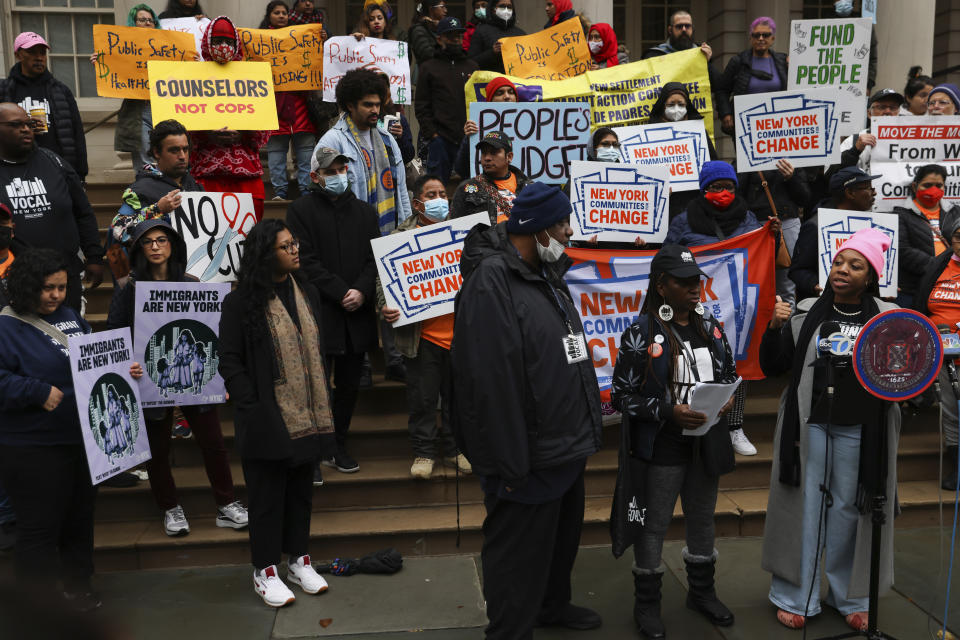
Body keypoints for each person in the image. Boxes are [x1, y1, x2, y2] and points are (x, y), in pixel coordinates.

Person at [452, 182, 603, 637]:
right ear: (537, 229)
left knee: (559, 543)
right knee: (516, 556)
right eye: (562, 224)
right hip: (526, 458)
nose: (569, 232)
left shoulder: (547, 274)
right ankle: (510, 630)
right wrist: (510, 463)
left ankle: (552, 606)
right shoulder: (492, 281)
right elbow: (488, 382)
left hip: (564, 446)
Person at [760, 227, 898, 632]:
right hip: (810, 426)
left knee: (848, 508)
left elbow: (901, 372)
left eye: (855, 265)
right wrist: (773, 328)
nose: (843, 270)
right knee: (804, 505)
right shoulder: (804, 310)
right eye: (839, 262)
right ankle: (795, 596)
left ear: (870, 275)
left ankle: (851, 596)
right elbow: (774, 366)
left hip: (861, 426)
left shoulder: (889, 319)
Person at [0, 249, 141, 611]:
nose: (56, 296)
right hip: (31, 446)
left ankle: (79, 587)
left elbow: (93, 362)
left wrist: (124, 370)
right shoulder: (5, 326)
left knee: (79, 519)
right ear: (26, 285)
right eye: (48, 288)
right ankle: (39, 606)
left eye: (62, 288)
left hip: (80, 441)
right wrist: (33, 390)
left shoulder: (69, 317)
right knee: (39, 529)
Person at [611, 244, 738, 639]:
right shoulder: (641, 333)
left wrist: (728, 397)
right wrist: (668, 412)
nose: (693, 288)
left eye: (695, 280)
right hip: (663, 446)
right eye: (683, 283)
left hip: (706, 443)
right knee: (653, 526)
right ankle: (646, 603)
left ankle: (702, 592)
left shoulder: (711, 327)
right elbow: (620, 396)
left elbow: (731, 371)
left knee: (702, 518)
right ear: (661, 286)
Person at [106, 219, 248, 536]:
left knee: (213, 442)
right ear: (139, 248)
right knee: (156, 449)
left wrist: (219, 375)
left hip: (195, 377)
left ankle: (226, 504)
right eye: (148, 242)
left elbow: (213, 331)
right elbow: (114, 334)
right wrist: (127, 362)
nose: (156, 246)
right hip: (148, 379)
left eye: (162, 240)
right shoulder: (127, 288)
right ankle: (170, 507)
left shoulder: (191, 282)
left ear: (173, 245)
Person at [219, 218, 334, 607]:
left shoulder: (308, 292)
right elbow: (229, 359)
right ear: (266, 254)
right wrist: (249, 404)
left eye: (295, 243)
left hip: (308, 413)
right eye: (286, 246)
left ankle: (298, 560)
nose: (295, 250)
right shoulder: (240, 301)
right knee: (267, 497)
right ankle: (264, 570)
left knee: (301, 493)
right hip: (265, 416)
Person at [665, 161, 774, 457]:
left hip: (737, 305)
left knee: (736, 363)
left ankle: (734, 426)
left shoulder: (748, 217)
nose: (722, 192)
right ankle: (698, 419)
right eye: (715, 187)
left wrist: (769, 235)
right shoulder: (684, 221)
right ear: (703, 189)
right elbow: (668, 256)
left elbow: (757, 254)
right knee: (697, 361)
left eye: (727, 187)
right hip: (696, 304)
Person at [286, 147, 381, 478]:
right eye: (332, 171)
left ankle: (338, 444)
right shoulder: (300, 211)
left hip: (357, 314)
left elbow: (374, 259)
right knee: (316, 385)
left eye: (343, 169)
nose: (340, 174)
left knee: (350, 385)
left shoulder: (366, 213)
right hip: (320, 313)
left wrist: (362, 290)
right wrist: (341, 292)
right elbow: (304, 261)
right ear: (316, 176)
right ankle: (315, 450)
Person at [377, 175, 471, 479]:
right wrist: (385, 304)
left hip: (460, 335)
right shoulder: (400, 237)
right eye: (432, 194)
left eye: (443, 193)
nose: (440, 199)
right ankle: (424, 453)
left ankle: (456, 449)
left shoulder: (465, 233)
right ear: (417, 203)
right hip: (421, 338)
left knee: (458, 399)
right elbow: (382, 283)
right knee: (423, 400)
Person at [0, 103, 103, 312]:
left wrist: (94, 257)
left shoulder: (54, 161)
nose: (26, 129)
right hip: (14, 285)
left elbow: (83, 212)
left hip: (64, 279)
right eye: (16, 124)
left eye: (29, 124)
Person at [191, 16, 271, 220]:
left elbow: (263, 125)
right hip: (208, 175)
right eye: (217, 41)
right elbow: (184, 124)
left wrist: (243, 133)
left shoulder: (252, 76)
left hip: (247, 177)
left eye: (228, 42)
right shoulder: (192, 76)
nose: (223, 47)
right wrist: (208, 134)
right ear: (208, 43)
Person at [317, 68, 411, 234]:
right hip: (350, 233)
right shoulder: (332, 141)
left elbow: (401, 191)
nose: (375, 110)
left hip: (390, 236)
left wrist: (406, 229)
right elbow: (320, 193)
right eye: (368, 105)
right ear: (350, 105)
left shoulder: (388, 140)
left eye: (377, 104)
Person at [913, 209, 960, 490]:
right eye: (958, 235)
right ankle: (955, 465)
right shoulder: (938, 265)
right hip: (945, 356)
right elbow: (921, 304)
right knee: (952, 411)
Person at [0, 33, 87, 180]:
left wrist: (80, 174)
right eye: (32, 52)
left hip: (56, 168)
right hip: (15, 170)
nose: (39, 57)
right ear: (18, 55)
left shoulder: (60, 90)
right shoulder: (4, 90)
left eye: (42, 53)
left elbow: (77, 133)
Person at [790, 167, 882, 301]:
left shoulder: (873, 226)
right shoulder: (816, 226)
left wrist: (884, 288)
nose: (874, 193)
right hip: (826, 307)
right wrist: (816, 284)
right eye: (868, 188)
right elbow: (797, 271)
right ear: (850, 193)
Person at [261, 0, 317, 201]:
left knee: (305, 153)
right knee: (276, 152)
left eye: (284, 12)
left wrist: (323, 36)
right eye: (277, 12)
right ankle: (280, 193)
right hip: (274, 108)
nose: (282, 16)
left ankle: (306, 192)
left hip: (301, 108)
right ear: (269, 16)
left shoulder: (301, 37)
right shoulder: (259, 42)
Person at [415, 17, 478, 182]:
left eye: (458, 35)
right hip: (440, 140)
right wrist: (433, 135)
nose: (455, 39)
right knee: (436, 188)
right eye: (450, 36)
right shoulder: (428, 67)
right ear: (439, 38)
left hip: (468, 138)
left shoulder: (472, 67)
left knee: (472, 189)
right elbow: (422, 106)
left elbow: (480, 102)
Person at [645, 82, 718, 219]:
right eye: (671, 104)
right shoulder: (649, 132)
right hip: (663, 205)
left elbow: (713, 163)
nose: (676, 109)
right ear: (663, 105)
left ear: (687, 106)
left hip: (694, 201)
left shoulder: (699, 132)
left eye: (681, 104)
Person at [895, 165, 957, 309]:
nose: (933, 190)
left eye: (938, 185)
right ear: (915, 186)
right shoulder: (901, 214)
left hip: (950, 289)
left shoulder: (955, 213)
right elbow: (903, 250)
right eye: (927, 185)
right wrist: (939, 267)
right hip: (913, 289)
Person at [109, 5, 161, 169]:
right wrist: (102, 60)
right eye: (142, 19)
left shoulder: (166, 48)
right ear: (134, 22)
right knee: (146, 159)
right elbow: (113, 72)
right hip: (139, 111)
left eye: (150, 20)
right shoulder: (124, 48)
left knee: (167, 153)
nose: (147, 23)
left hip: (163, 108)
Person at [716, 17, 787, 137]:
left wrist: (794, 64)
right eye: (756, 35)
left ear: (772, 38)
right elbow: (721, 90)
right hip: (745, 124)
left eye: (765, 35)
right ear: (750, 38)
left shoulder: (783, 61)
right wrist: (726, 114)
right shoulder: (738, 61)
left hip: (777, 124)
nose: (760, 38)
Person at [451, 130, 531, 225]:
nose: (487, 158)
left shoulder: (529, 187)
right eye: (484, 153)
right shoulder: (467, 188)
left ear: (509, 157)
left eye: (494, 152)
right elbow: (455, 230)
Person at [455, 76, 518, 180]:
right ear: (490, 100)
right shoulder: (477, 127)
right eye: (500, 93)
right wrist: (468, 138)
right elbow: (461, 169)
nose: (507, 96)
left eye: (511, 92)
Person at [836, 88, 905, 174]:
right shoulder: (854, 140)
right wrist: (854, 151)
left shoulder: (910, 140)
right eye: (881, 107)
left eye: (893, 107)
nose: (888, 111)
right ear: (869, 113)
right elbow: (831, 175)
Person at [467, 0, 524, 73]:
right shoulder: (481, 31)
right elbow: (471, 62)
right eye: (502, 6)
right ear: (493, 9)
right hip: (491, 82)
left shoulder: (520, 33)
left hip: (517, 82)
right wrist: (492, 53)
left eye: (509, 7)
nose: (506, 9)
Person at [408, 1, 447, 75]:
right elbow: (427, 55)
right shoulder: (418, 29)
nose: (445, 10)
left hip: (438, 72)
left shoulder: (436, 28)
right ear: (431, 9)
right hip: (425, 75)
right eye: (442, 7)